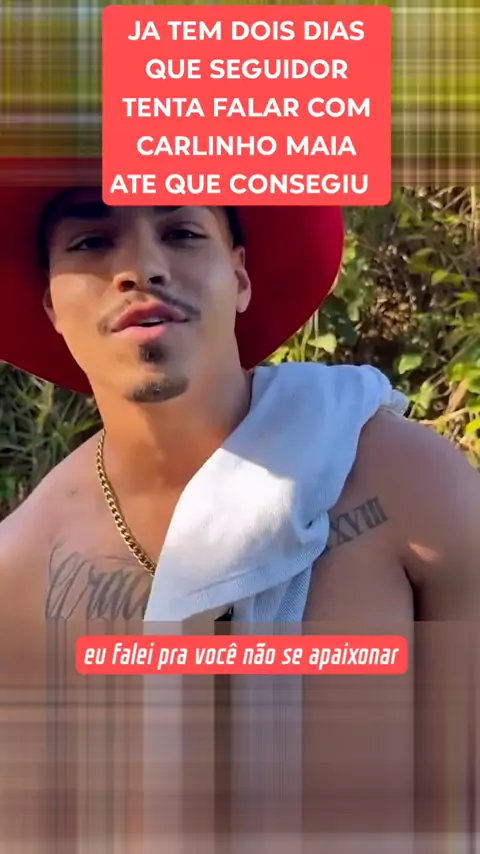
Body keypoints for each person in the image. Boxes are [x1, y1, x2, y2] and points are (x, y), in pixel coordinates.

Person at [0, 159, 479, 849]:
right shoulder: (21, 575)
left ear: (241, 276)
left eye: (182, 232)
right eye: (92, 242)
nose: (142, 268)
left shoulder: (405, 484)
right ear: (50, 303)